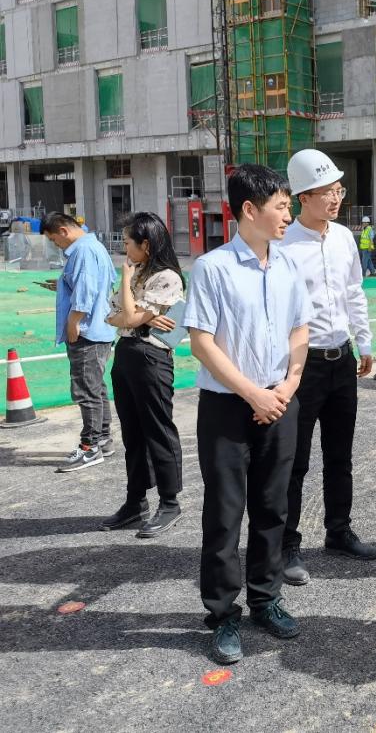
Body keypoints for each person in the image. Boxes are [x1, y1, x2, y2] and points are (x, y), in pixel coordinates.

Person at [183, 164, 311, 665]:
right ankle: (222, 614)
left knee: (273, 507)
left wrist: (288, 386)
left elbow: (299, 331)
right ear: (250, 210)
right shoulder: (212, 268)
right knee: (224, 513)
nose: (288, 215)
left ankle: (265, 598)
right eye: (281, 206)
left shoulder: (288, 265)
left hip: (280, 400)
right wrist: (253, 394)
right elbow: (201, 342)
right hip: (228, 407)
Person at [279, 149, 376, 586]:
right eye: (327, 192)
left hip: (342, 359)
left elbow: (353, 292)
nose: (336, 199)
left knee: (340, 456)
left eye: (339, 190)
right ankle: (287, 544)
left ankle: (338, 531)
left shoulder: (343, 238)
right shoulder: (283, 243)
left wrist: (365, 342)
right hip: (302, 366)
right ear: (303, 197)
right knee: (294, 461)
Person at [101, 213, 186, 537]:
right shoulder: (139, 272)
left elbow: (128, 317)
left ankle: (170, 501)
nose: (124, 250)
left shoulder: (167, 278)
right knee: (132, 432)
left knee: (158, 429)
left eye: (128, 243)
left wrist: (128, 292)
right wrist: (139, 316)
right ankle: (135, 502)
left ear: (146, 245)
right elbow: (112, 316)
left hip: (151, 357)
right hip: (125, 354)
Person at [42, 213, 117, 473]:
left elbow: (85, 293)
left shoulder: (83, 251)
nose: (56, 245)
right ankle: (103, 439)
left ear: (63, 231)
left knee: (86, 390)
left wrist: (74, 322)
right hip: (99, 330)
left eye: (54, 240)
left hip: (87, 332)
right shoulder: (95, 246)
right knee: (96, 388)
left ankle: (90, 447)